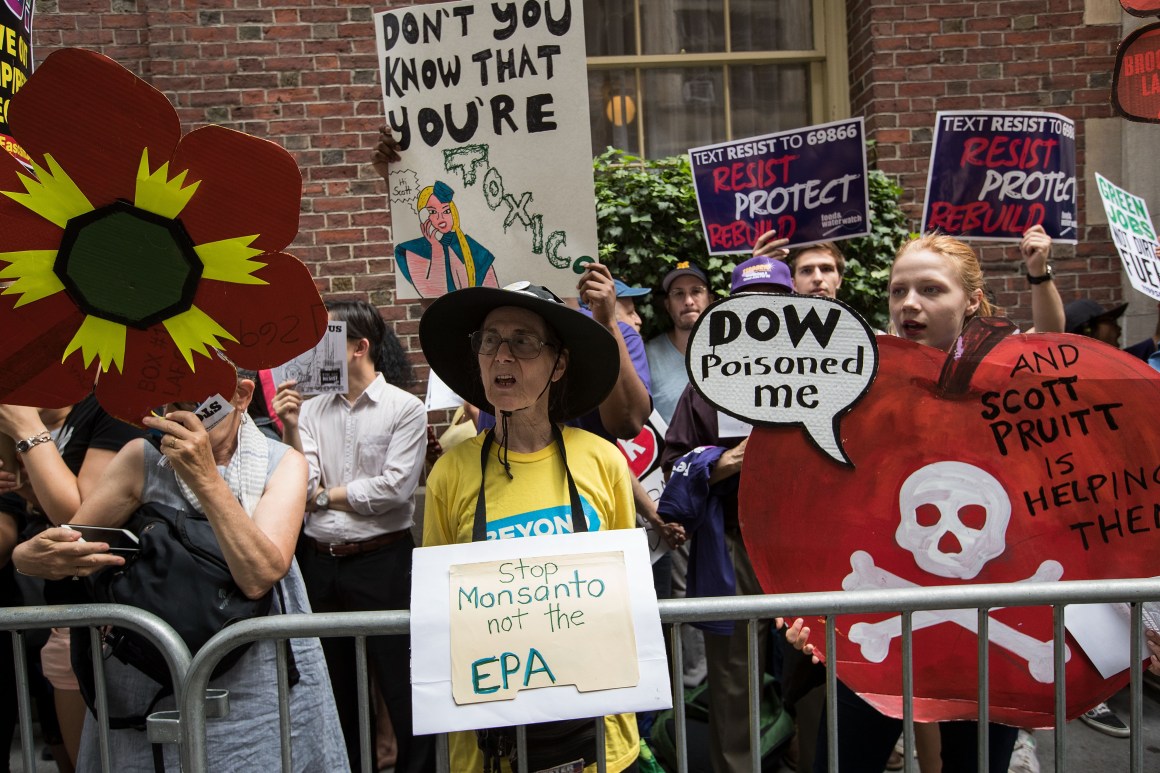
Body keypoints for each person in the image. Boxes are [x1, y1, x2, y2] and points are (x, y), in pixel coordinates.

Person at [783, 232, 1072, 772]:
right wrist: (801, 605)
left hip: (989, 642)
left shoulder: (1005, 377)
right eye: (898, 291)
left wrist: (1038, 273)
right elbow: (819, 501)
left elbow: (1054, 349)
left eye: (930, 289)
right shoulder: (859, 379)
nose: (909, 304)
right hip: (875, 626)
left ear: (973, 300)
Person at [11, 375, 348, 772]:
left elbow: (259, 574)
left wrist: (205, 477)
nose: (181, 419)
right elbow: (76, 547)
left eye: (196, 405)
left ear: (240, 396)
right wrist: (27, 556)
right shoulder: (143, 458)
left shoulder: (283, 462)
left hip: (257, 675)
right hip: (153, 676)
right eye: (169, 407)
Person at [420, 280, 641, 773]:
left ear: (558, 365)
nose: (502, 356)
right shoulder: (450, 474)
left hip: (598, 738)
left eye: (523, 342)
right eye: (490, 341)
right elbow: (436, 612)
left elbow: (627, 600)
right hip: (486, 745)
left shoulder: (602, 461)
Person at [272, 301, 432, 773]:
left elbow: (394, 488)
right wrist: (289, 428)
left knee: (402, 684)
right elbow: (300, 485)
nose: (313, 351)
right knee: (336, 687)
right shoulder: (311, 409)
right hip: (321, 561)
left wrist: (324, 498)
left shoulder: (405, 408)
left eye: (326, 340)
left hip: (384, 560)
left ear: (359, 347)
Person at [656, 255, 794, 773]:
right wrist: (725, 461)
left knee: (816, 665)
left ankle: (808, 755)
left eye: (775, 304)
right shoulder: (708, 382)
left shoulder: (828, 374)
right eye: (750, 306)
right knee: (733, 672)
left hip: (809, 546)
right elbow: (676, 463)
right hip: (734, 543)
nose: (763, 316)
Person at [0, 398, 147, 771]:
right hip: (67, 610)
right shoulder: (60, 422)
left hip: (109, 620)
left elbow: (80, 520)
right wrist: (26, 489)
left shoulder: (107, 408)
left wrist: (25, 428)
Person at [645, 261, 712, 426]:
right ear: (667, 305)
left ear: (710, 299)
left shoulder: (732, 353)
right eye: (678, 293)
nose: (688, 301)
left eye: (696, 291)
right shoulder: (648, 356)